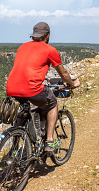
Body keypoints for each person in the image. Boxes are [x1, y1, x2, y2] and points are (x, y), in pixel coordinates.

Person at [6, 22, 80, 152]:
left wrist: (41, 77)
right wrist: (72, 83)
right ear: (47, 36)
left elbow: (26, 67)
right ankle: (49, 141)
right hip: (31, 88)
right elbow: (63, 73)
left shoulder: (22, 47)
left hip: (11, 87)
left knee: (24, 110)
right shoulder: (49, 50)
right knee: (52, 103)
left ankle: (15, 144)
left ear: (33, 35)